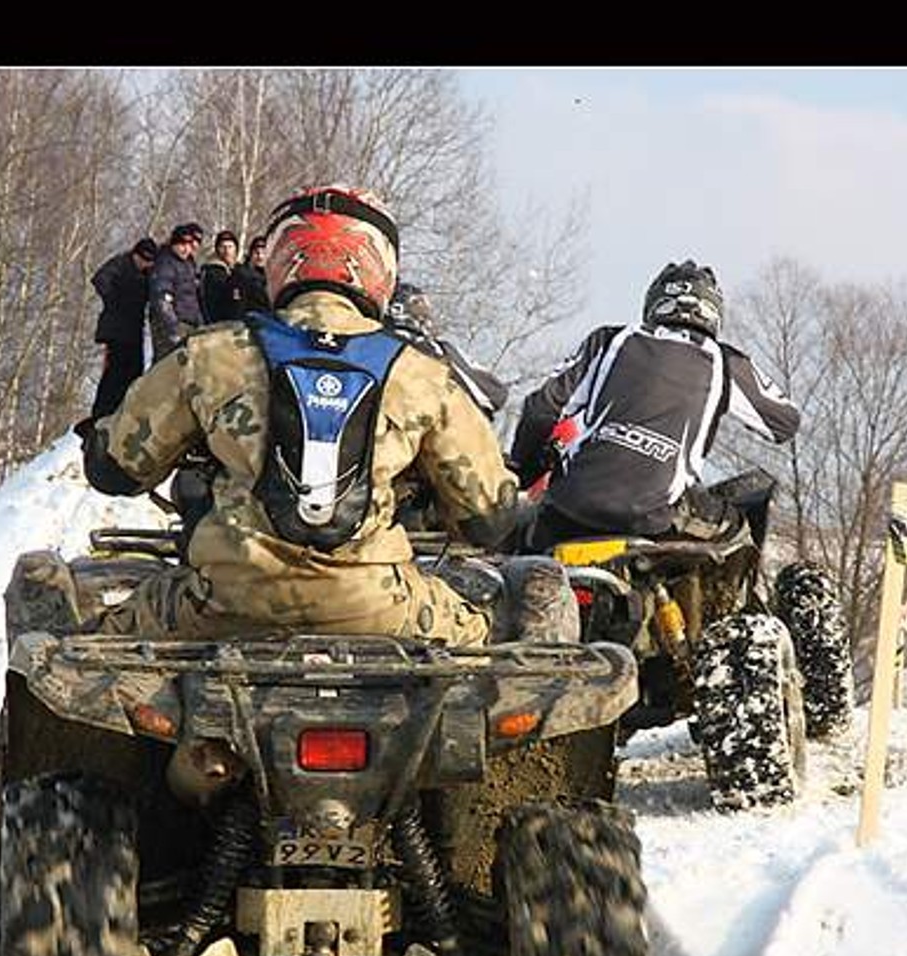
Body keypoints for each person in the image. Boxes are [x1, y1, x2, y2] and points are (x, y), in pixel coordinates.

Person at [74, 185, 527, 647]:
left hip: (220, 604)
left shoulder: (210, 352)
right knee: (518, 625)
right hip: (380, 608)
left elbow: (115, 470)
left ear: (279, 258)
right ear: (381, 267)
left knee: (73, 631)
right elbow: (489, 519)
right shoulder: (423, 373)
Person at [507, 260, 801, 551]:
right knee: (742, 528)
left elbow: (540, 408)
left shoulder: (608, 341)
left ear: (654, 303)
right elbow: (785, 423)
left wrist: (524, 471)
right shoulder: (726, 362)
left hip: (570, 507)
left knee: (513, 561)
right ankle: (722, 599)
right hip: (654, 519)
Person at [384, 281, 508, 418]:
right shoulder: (437, 350)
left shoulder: (367, 344)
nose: (426, 315)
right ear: (398, 310)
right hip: (443, 429)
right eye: (417, 305)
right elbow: (493, 394)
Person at [87, 236, 159, 419]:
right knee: (114, 374)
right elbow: (99, 279)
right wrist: (114, 300)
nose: (145, 264)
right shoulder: (121, 263)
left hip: (134, 330)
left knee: (135, 372)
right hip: (116, 329)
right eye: (143, 260)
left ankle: (125, 411)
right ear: (135, 254)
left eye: (149, 262)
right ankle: (102, 413)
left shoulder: (147, 273)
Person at [148, 222, 206, 360]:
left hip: (189, 321)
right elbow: (161, 297)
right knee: (168, 364)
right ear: (173, 244)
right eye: (181, 245)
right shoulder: (165, 263)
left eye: (188, 245)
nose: (185, 249)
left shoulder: (188, 263)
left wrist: (199, 322)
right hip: (170, 323)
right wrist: (172, 327)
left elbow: (192, 296)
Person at [199, 229, 241, 323]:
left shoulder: (238, 270)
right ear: (217, 249)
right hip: (219, 322)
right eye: (223, 247)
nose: (227, 251)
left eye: (230, 247)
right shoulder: (211, 272)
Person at [229, 234, 270, 314]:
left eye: (264, 253)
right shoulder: (241, 274)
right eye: (257, 253)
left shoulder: (270, 275)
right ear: (251, 254)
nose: (260, 256)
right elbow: (236, 301)